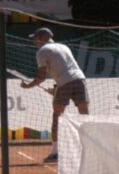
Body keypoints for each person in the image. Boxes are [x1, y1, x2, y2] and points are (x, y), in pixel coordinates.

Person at [23, 27, 88, 163]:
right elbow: (67, 69)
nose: (34, 42)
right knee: (85, 116)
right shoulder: (64, 47)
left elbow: (41, 77)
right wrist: (57, 88)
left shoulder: (41, 52)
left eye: (35, 38)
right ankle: (89, 150)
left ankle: (56, 152)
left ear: (40, 38)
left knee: (57, 117)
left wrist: (28, 86)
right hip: (80, 79)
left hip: (64, 82)